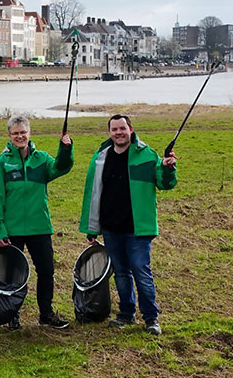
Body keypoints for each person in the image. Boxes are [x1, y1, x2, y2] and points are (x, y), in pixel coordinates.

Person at [79, 114, 177, 335]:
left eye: (122, 128)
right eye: (114, 129)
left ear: (131, 129)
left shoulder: (146, 155)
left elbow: (164, 183)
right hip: (111, 228)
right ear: (109, 133)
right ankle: (126, 314)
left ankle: (151, 318)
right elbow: (93, 194)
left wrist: (168, 168)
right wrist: (93, 227)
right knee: (121, 273)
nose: (119, 133)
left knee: (141, 271)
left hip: (137, 229)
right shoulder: (100, 158)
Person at [0, 115, 73, 331]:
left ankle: (46, 313)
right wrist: (0, 231)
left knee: (46, 270)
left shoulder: (42, 159)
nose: (20, 136)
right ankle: (11, 314)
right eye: (15, 133)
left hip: (39, 227)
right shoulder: (2, 163)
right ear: (10, 136)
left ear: (29, 133)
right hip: (12, 230)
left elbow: (61, 168)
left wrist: (65, 149)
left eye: (23, 132)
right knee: (12, 275)